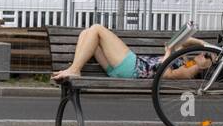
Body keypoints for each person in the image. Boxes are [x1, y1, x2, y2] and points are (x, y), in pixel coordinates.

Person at [51, 24, 213, 82]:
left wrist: (169, 52)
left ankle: (74, 70)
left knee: (97, 29)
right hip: (122, 69)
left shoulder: (191, 71)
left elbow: (168, 74)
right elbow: (181, 42)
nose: (202, 54)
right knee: (86, 33)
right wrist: (201, 43)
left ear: (207, 68)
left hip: (134, 67)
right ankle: (74, 68)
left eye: (207, 56)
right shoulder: (189, 62)